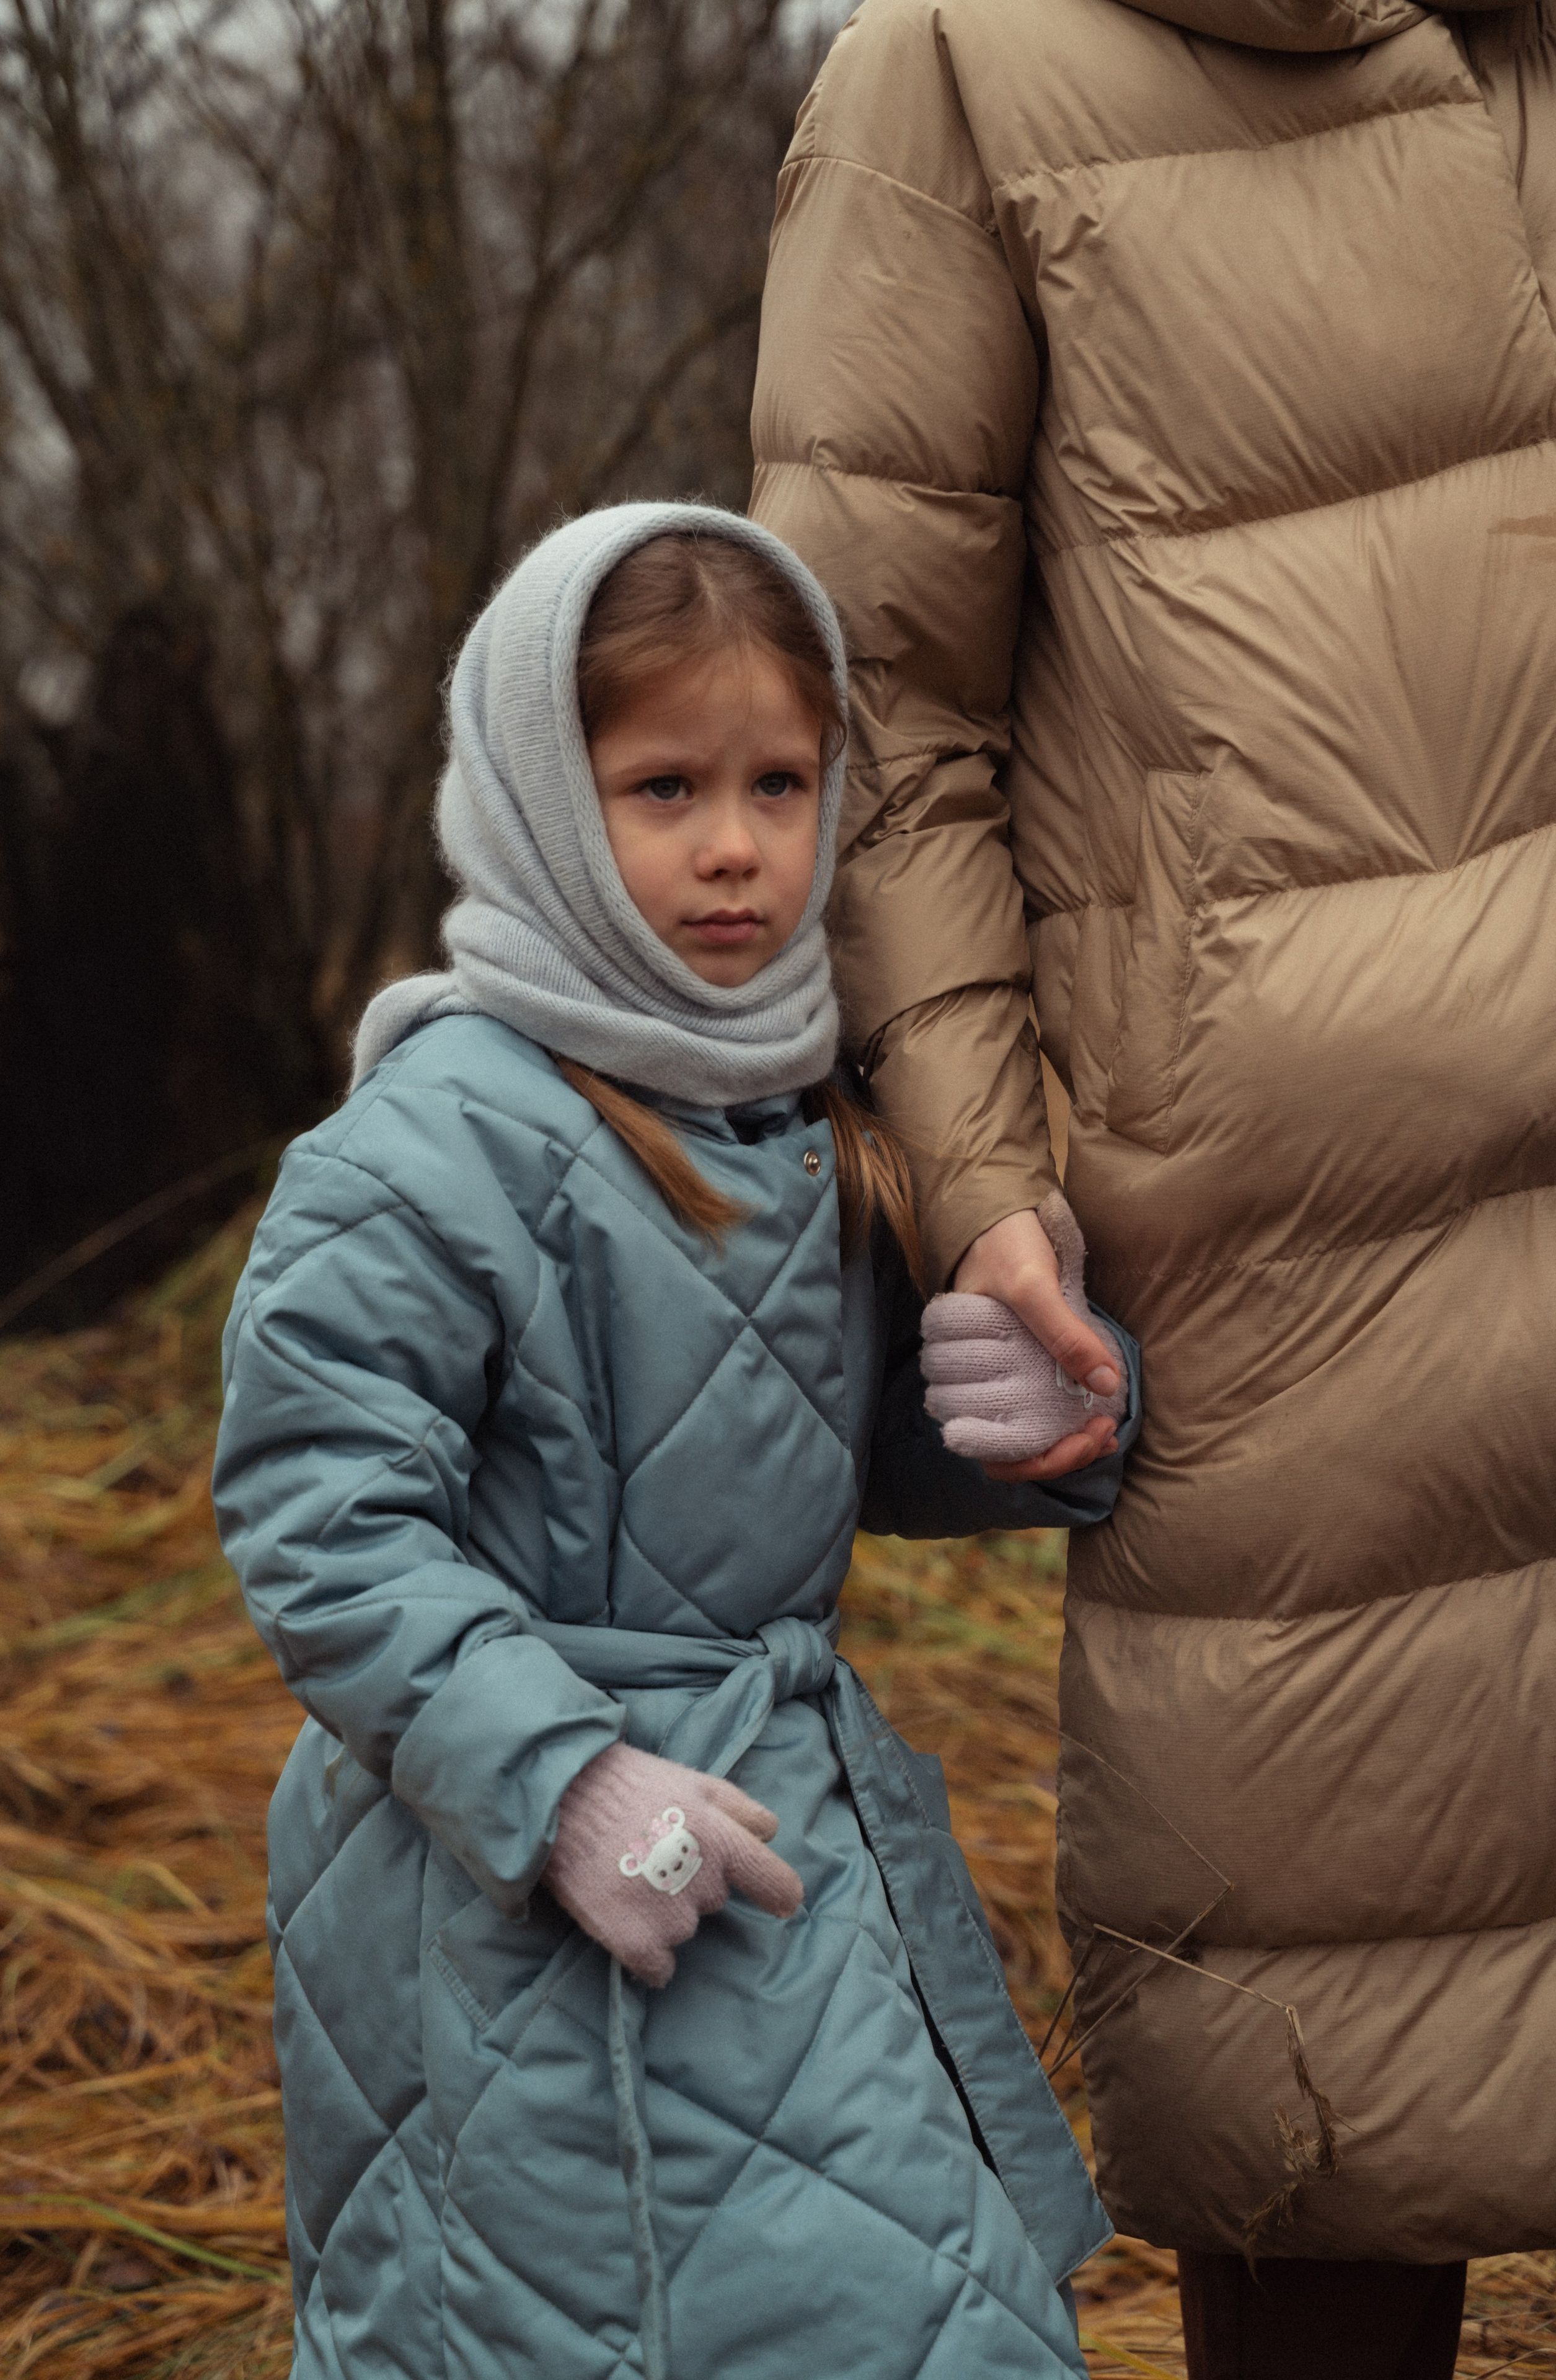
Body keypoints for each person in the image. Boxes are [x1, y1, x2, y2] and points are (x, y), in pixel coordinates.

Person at [747, 0, 1556, 2373]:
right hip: (1291, 1282)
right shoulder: (959, 67)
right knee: (1330, 2088)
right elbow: (874, 708)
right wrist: (982, 1175)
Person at [211, 503, 1144, 2380]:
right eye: (663, 788)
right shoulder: (434, 1138)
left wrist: (1011, 1420)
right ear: (545, 804)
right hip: (514, 1871)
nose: (734, 846)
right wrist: (556, 1780)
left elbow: (806, 1441)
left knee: (914, 2306)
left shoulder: (808, 1107)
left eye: (778, 783)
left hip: (777, 1822)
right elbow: (320, 1511)